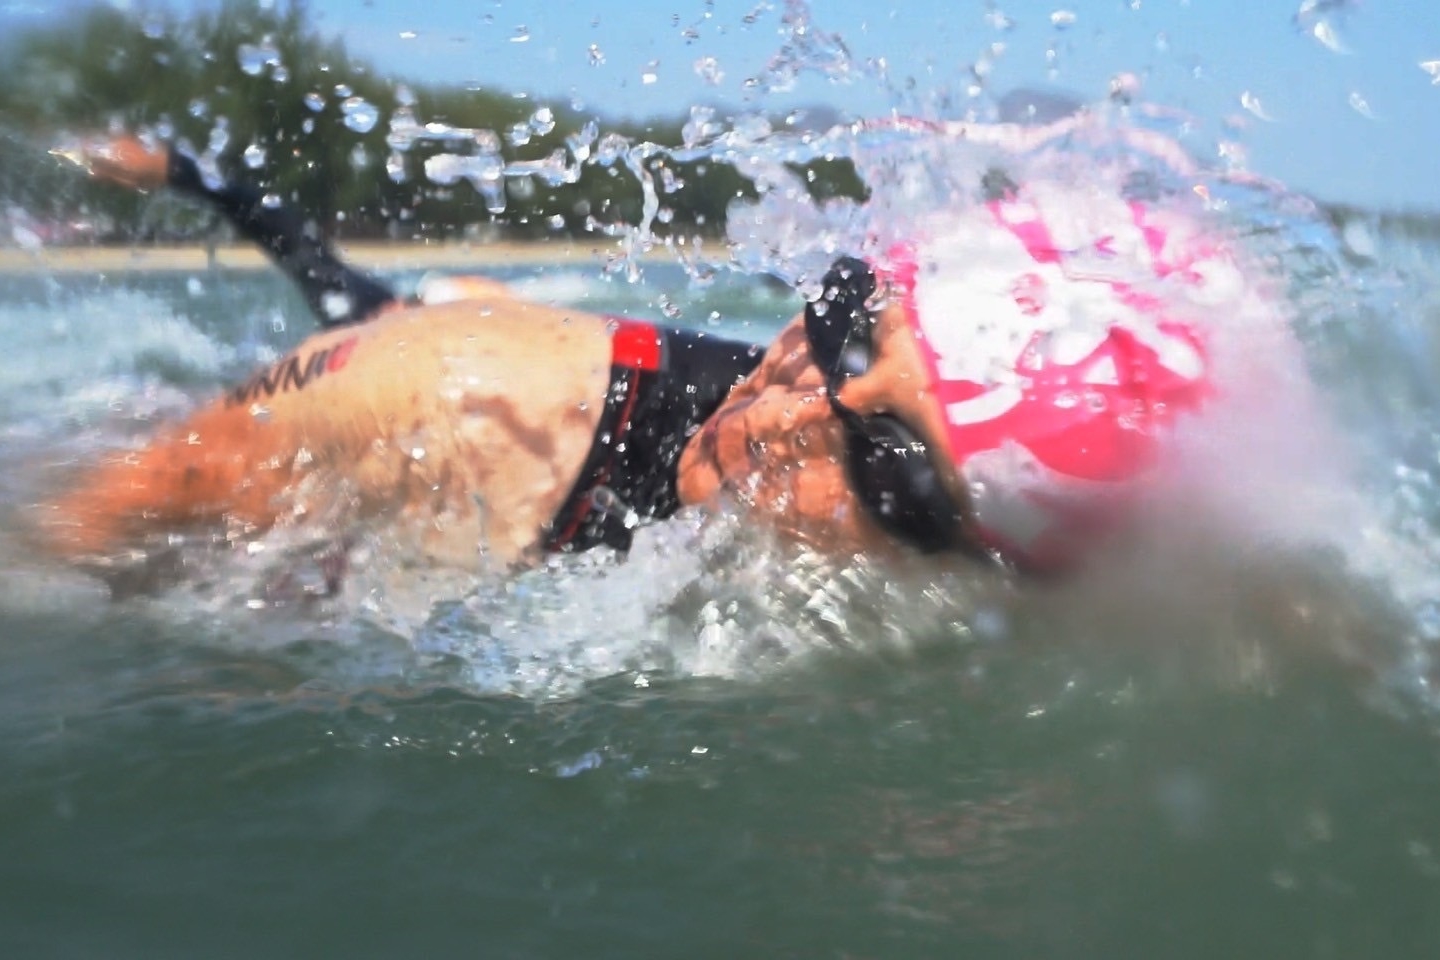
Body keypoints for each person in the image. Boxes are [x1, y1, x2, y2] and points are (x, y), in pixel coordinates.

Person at [37, 129, 1224, 589]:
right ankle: (186, 168)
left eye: (888, 466)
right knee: (339, 300)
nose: (789, 413)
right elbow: (83, 521)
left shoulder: (1014, 564)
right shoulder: (460, 407)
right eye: (839, 331)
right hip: (444, 372)